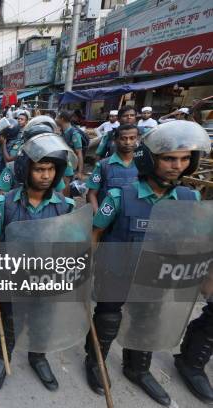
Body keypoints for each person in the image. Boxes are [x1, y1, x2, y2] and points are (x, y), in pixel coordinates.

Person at [84, 121, 210, 406]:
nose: (177, 165)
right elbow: (96, 233)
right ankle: (95, 363)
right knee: (107, 321)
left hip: (157, 277)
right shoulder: (119, 196)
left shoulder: (190, 199)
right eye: (168, 158)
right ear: (150, 158)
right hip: (116, 273)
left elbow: (193, 242)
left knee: (147, 322)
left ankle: (137, 369)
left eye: (184, 158)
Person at [0, 133, 75, 391]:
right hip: (13, 277)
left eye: (50, 169)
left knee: (42, 321)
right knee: (10, 322)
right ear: (27, 170)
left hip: (47, 279)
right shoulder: (5, 203)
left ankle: (38, 356)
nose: (45, 175)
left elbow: (71, 247)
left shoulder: (65, 206)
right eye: (39, 169)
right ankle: (1, 356)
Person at [86, 124, 139, 213]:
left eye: (132, 138)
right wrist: (99, 218)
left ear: (137, 139)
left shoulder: (143, 164)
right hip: (108, 218)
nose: (128, 142)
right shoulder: (103, 165)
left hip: (134, 215)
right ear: (115, 140)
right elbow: (91, 194)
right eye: (123, 138)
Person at [55, 111, 84, 180]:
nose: (55, 119)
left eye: (57, 118)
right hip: (62, 164)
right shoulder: (61, 131)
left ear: (62, 119)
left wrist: (79, 172)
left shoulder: (74, 133)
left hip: (70, 167)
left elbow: (79, 153)